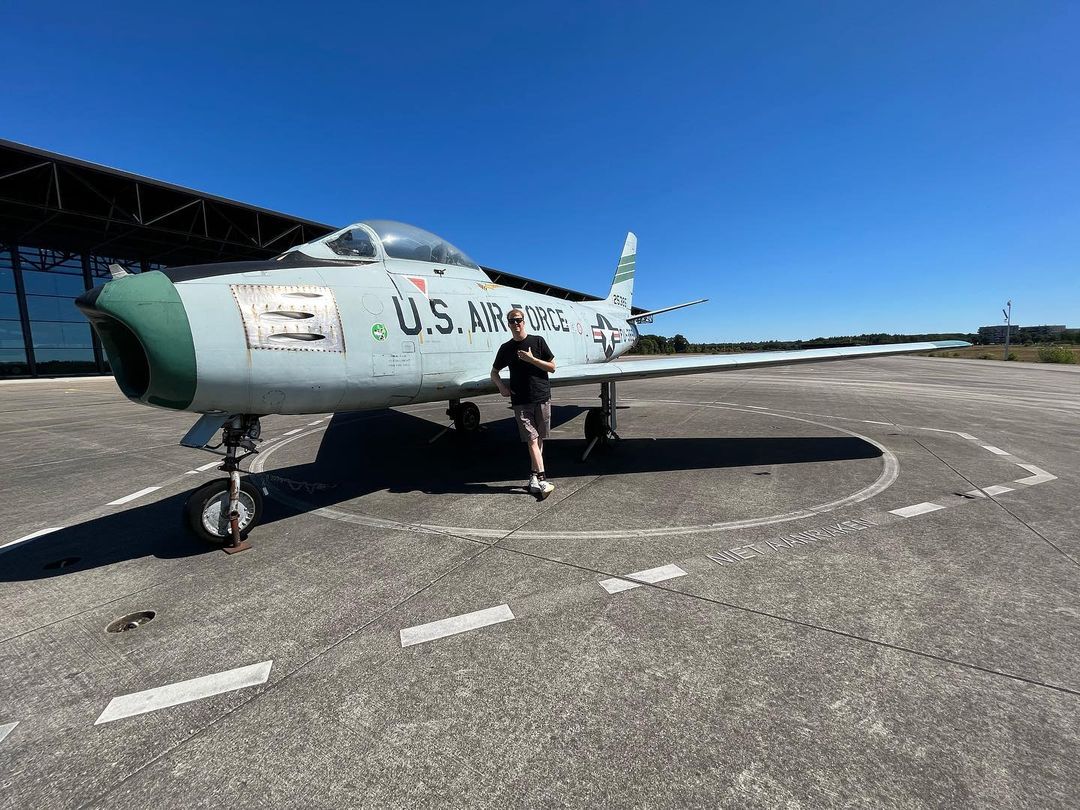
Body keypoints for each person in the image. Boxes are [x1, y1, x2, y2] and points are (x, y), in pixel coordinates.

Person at [490, 309, 556, 498]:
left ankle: (533, 476)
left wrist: (532, 359)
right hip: (520, 401)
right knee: (532, 439)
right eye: (512, 321)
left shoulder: (538, 341)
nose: (516, 323)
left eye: (518, 320)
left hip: (541, 397)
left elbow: (552, 367)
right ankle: (542, 479)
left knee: (539, 439)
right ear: (508, 324)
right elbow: (494, 372)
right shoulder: (506, 348)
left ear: (524, 321)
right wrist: (501, 387)